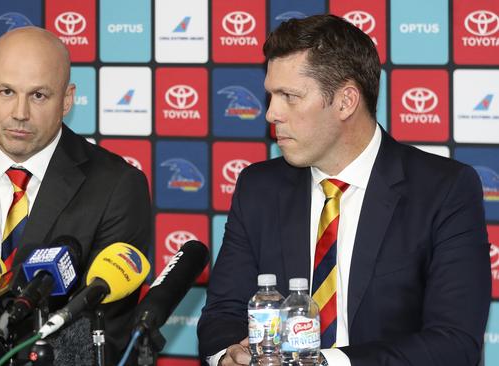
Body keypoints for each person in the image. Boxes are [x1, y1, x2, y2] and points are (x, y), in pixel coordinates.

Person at [197, 14, 490, 366]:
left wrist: (321, 362)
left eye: (289, 96)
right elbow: (222, 315)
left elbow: (454, 343)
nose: (271, 113)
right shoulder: (258, 187)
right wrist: (231, 356)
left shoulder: (443, 189)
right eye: (271, 96)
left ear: (346, 101)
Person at [0, 26, 151, 363]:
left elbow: (104, 333)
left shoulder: (117, 187)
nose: (20, 113)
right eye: (6, 91)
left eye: (39, 95)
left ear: (67, 99)